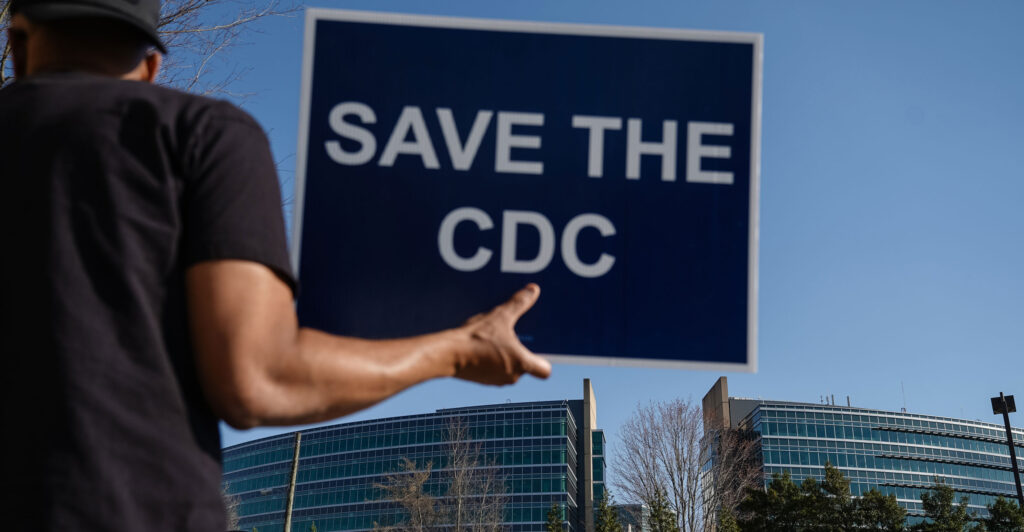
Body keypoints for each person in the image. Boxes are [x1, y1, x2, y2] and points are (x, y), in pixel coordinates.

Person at [0, 0, 551, 529]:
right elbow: (257, 380)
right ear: (150, 66)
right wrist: (456, 350)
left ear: (18, 44)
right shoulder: (201, 135)